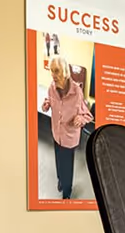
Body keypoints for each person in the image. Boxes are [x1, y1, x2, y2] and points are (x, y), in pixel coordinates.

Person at [42, 56, 93, 200]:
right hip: (56, 133)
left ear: (65, 72)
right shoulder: (52, 87)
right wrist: (47, 104)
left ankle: (67, 192)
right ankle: (60, 180)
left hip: (69, 137)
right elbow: (50, 99)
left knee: (67, 166)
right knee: (58, 159)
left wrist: (80, 119)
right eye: (51, 71)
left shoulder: (76, 91)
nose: (53, 75)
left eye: (56, 71)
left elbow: (88, 115)